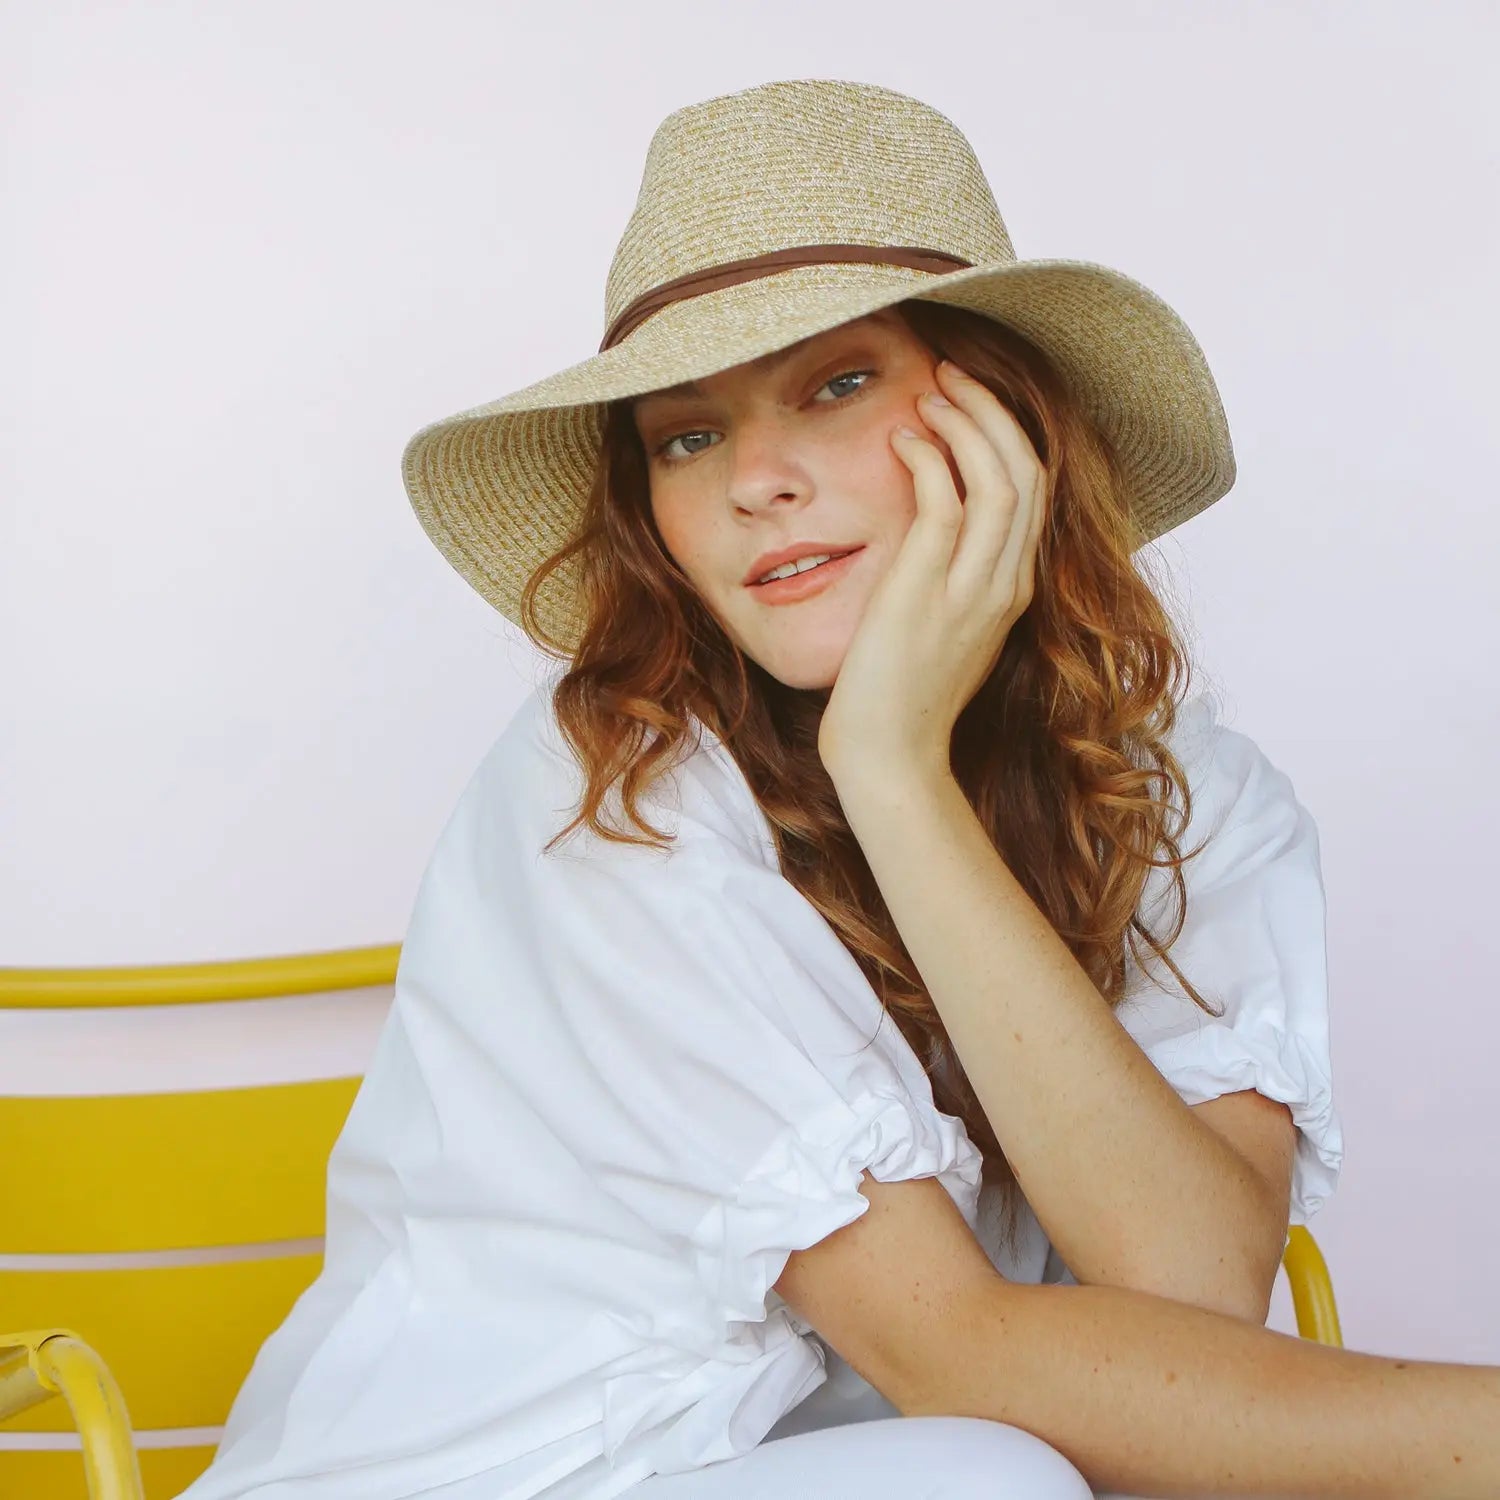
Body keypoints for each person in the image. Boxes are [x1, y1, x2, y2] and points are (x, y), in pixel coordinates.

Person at [176, 78, 1499, 1500]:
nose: (755, 480)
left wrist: (899, 778)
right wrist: (892, 766)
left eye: (837, 383)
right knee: (991, 1480)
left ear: (1004, 417)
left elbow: (1193, 1296)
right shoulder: (609, 790)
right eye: (687, 436)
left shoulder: (1186, 797)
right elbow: (959, 1361)